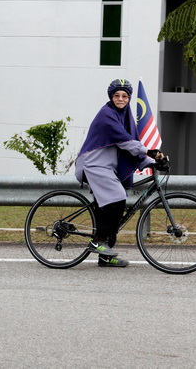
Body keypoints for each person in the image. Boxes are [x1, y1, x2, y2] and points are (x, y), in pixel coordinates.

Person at [75, 79, 162, 267]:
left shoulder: (126, 116)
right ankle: (98, 241)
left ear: (129, 98)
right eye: (117, 95)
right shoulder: (106, 115)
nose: (121, 99)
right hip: (94, 164)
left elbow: (131, 146)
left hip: (107, 167)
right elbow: (125, 142)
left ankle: (105, 257)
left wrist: (151, 161)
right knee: (117, 197)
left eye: (125, 96)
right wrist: (149, 152)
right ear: (111, 97)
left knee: (114, 208)